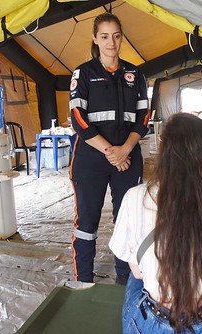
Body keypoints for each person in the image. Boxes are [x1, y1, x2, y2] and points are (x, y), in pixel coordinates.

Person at [109, 113, 202, 333]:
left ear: (165, 153)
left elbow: (139, 273)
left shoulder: (135, 197)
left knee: (135, 276)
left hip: (151, 324)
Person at [68, 12, 150, 284]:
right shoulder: (83, 73)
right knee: (87, 224)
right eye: (104, 36)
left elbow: (144, 117)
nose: (111, 42)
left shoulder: (135, 74)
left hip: (127, 157)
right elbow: (78, 119)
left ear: (121, 38)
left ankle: (126, 281)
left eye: (115, 36)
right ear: (95, 38)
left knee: (127, 220)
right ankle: (84, 282)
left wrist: (125, 149)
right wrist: (112, 153)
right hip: (92, 160)